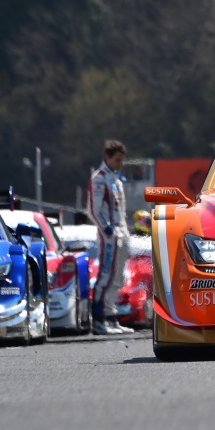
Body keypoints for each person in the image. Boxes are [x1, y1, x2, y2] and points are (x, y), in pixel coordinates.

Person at [87, 139, 132, 335]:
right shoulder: (100, 178)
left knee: (118, 276)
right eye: (117, 159)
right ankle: (98, 319)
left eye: (122, 160)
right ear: (108, 157)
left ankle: (111, 317)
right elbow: (93, 209)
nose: (120, 163)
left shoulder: (115, 178)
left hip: (121, 233)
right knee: (106, 275)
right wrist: (107, 230)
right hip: (110, 237)